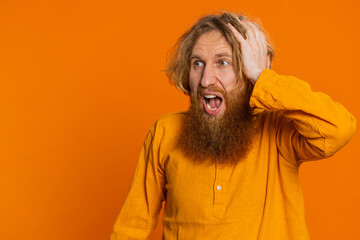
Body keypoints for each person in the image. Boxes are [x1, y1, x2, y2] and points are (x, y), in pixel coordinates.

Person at [110, 12, 356, 240]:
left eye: (223, 63)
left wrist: (263, 77)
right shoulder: (165, 131)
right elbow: (130, 228)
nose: (206, 79)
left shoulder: (280, 130)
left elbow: (338, 128)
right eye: (197, 63)